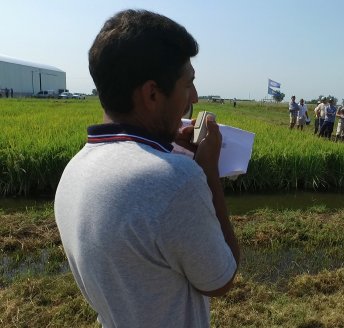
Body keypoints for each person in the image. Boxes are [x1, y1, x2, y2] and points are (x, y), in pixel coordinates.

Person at [54, 10, 239, 328]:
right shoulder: (177, 180)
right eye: (188, 84)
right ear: (152, 94)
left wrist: (169, 150)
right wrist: (207, 172)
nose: (193, 97)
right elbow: (220, 280)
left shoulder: (76, 168)